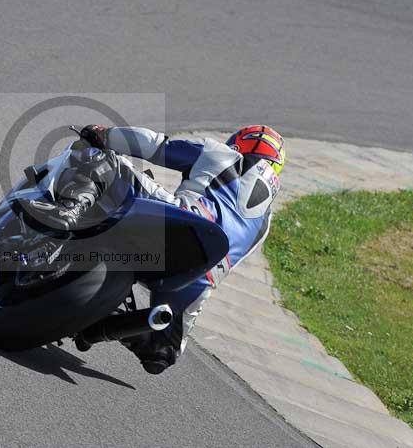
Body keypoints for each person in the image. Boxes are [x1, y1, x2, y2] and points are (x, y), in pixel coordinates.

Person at [66, 124, 286, 374]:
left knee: (101, 161)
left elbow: (156, 145)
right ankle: (105, 327)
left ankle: (65, 214)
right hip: (197, 278)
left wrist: (105, 135)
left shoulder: (222, 154)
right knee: (161, 354)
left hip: (175, 224)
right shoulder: (265, 223)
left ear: (239, 144)